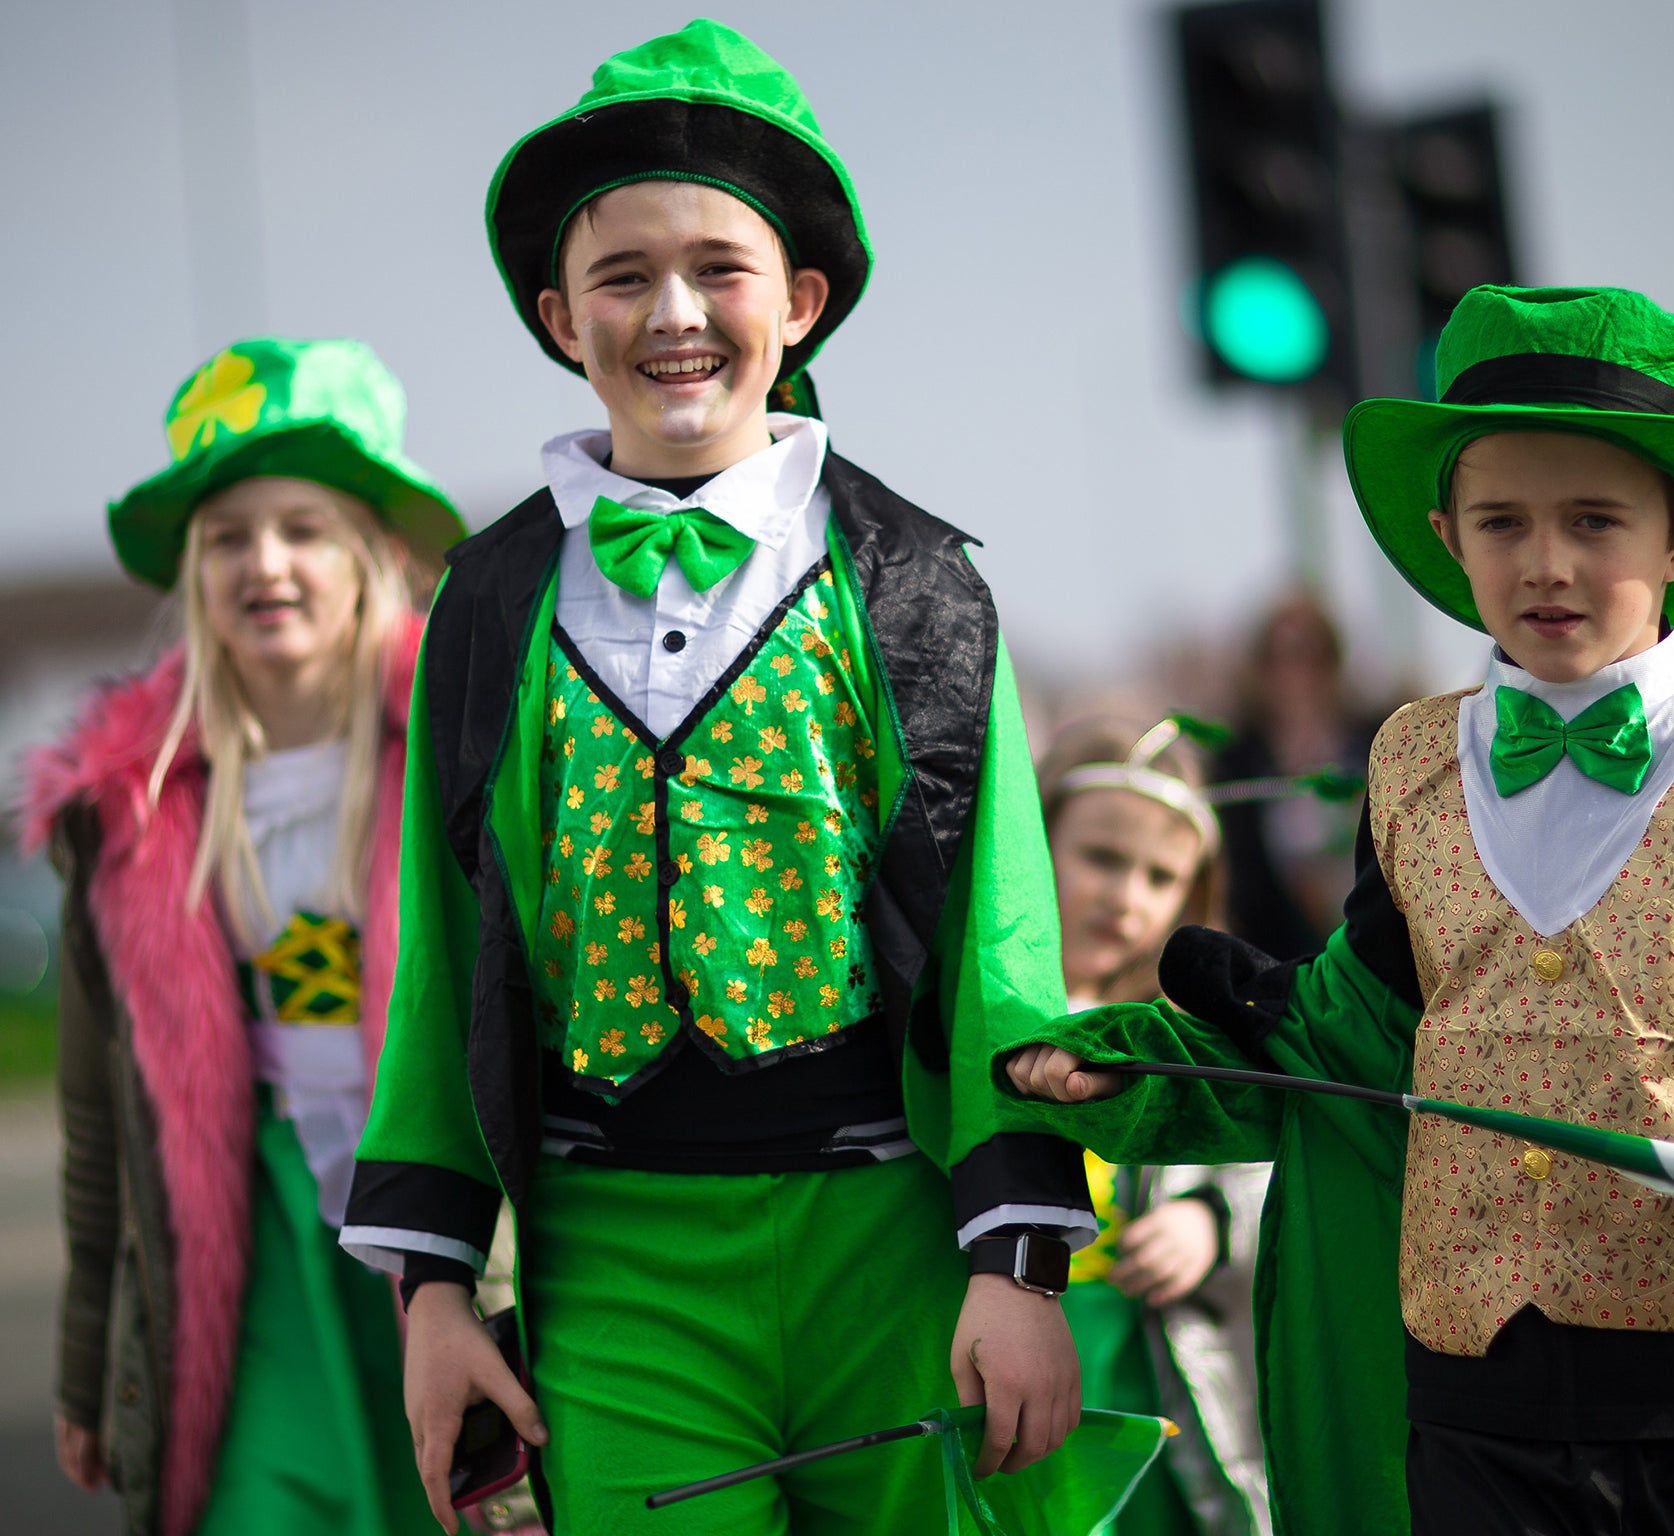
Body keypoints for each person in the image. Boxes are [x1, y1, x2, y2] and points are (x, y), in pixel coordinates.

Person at [1000, 285, 1674, 1535]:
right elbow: (1341, 1048)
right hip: (1469, 1416)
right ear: (1449, 537)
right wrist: (1119, 1070)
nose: (1544, 562)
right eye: (1502, 521)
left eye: (1593, 520)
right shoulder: (1407, 764)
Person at [338, 22, 1093, 1536]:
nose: (673, 313)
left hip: (888, 1239)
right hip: (615, 1258)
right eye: (623, 276)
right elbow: (442, 964)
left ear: (801, 302)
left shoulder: (920, 586)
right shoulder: (486, 607)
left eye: (719, 269)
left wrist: (1016, 1270)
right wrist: (434, 1297)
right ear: (561, 316)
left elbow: (1002, 950)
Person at [21, 338, 462, 1536]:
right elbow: (100, 1126)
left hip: (451, 1245)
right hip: (252, 1241)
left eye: (304, 528)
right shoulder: (127, 809)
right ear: (193, 574)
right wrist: (85, 1371)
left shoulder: (468, 763)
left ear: (374, 554)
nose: (265, 562)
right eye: (227, 536)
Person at [1038, 720, 1270, 1536]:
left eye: (1160, 875)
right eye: (1101, 858)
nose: (1125, 897)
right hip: (1008, 1356)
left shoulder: (1190, 1042)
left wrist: (1208, 1222)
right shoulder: (962, 1021)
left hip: (1149, 1382)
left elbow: (1263, 1167)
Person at [1211, 596, 1379, 961]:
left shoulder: (1375, 741)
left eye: (1312, 656)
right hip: (1275, 952)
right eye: (1281, 657)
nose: (1297, 674)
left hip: (1368, 945)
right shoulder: (1237, 759)